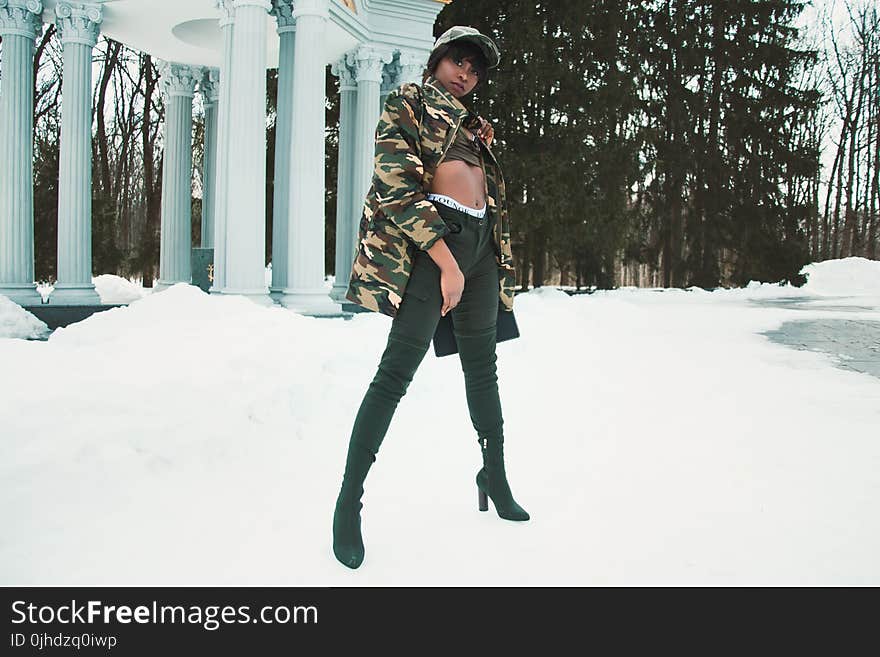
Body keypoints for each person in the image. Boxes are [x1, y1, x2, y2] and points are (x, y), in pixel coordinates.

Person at [334, 25, 529, 570]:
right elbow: (396, 185)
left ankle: (494, 475)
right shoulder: (408, 102)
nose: (466, 74)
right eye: (458, 62)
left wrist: (478, 255)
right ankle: (349, 501)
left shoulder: (472, 124)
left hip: (482, 248)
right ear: (437, 60)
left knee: (482, 370)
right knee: (395, 373)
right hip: (434, 248)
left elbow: (481, 189)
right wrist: (446, 264)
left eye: (475, 68)